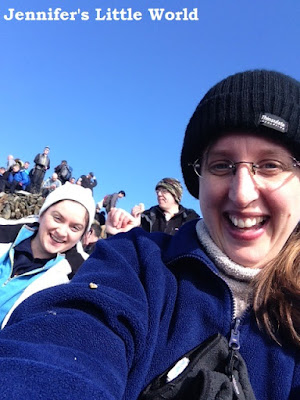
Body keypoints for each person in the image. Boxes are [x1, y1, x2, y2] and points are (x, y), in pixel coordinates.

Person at [0, 70, 299, 400]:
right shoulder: (135, 262)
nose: (242, 194)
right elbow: (63, 344)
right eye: (221, 165)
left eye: (271, 165)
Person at [0, 182, 95, 328]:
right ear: (42, 214)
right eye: (57, 218)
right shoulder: (4, 233)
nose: (62, 232)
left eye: (75, 227)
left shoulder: (77, 275)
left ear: (82, 235)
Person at [130, 178, 199, 235]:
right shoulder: (147, 216)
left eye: (164, 191)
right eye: (157, 191)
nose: (159, 194)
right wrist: (135, 224)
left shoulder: (191, 218)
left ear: (175, 195)